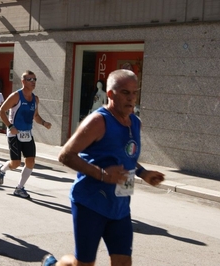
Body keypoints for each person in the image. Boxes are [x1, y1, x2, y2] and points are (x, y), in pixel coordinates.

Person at [41, 69, 165, 266]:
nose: (132, 98)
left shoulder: (135, 123)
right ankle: (54, 264)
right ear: (110, 94)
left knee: (123, 262)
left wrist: (144, 173)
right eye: (125, 92)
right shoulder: (98, 121)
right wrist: (102, 174)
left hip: (120, 206)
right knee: (84, 264)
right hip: (90, 203)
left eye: (135, 92)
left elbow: (126, 156)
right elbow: (65, 155)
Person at [0, 70, 51, 198]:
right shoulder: (16, 96)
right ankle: (2, 169)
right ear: (23, 81)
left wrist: (44, 123)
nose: (33, 82)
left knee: (30, 161)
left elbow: (35, 116)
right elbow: (1, 111)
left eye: (35, 79)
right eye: (30, 79)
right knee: (15, 164)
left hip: (27, 133)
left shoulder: (35, 99)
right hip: (14, 134)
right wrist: (10, 126)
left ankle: (19, 188)